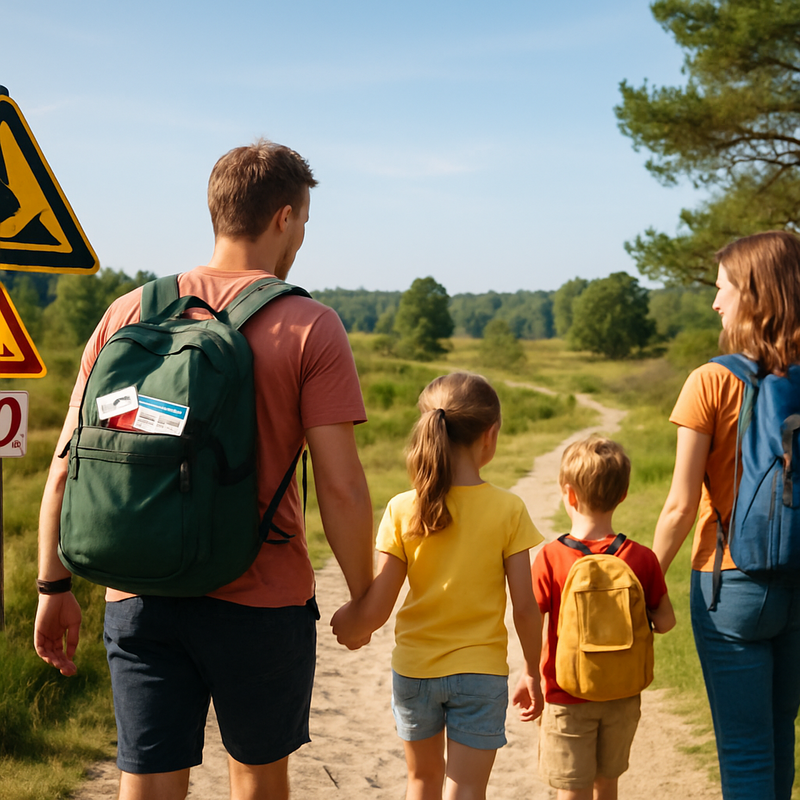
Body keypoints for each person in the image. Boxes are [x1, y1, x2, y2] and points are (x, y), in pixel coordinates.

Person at [33, 140, 374, 800]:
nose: (302, 236)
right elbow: (341, 484)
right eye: (304, 221)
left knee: (149, 781)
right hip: (261, 599)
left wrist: (54, 586)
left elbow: (66, 467)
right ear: (284, 217)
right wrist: (362, 597)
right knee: (256, 777)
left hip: (138, 592)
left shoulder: (126, 314)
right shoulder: (309, 325)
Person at [331, 371, 544, 800]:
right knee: (466, 787)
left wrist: (351, 626)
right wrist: (533, 673)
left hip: (415, 671)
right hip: (480, 674)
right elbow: (525, 606)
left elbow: (378, 605)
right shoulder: (509, 509)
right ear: (490, 434)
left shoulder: (403, 508)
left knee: (421, 782)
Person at [652, 230, 800, 800]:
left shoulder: (711, 380)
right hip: (798, 581)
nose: (716, 302)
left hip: (730, 584)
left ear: (753, 294)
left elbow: (680, 506)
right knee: (780, 740)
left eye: (723, 289)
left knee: (744, 751)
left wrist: (643, 577)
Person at [513, 436, 675, 800]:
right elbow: (666, 622)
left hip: (566, 695)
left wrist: (529, 674)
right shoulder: (641, 558)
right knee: (607, 784)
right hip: (622, 694)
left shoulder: (551, 557)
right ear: (624, 494)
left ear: (569, 495)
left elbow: (530, 623)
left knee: (572, 788)